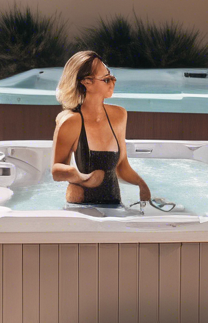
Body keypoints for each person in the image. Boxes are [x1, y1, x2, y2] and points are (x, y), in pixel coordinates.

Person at [51, 51, 150, 207]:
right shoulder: (71, 121)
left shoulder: (119, 115)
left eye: (111, 77)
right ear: (87, 82)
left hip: (113, 203)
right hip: (81, 206)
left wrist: (142, 185)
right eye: (106, 79)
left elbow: (121, 165)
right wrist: (78, 176)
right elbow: (56, 171)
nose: (113, 82)